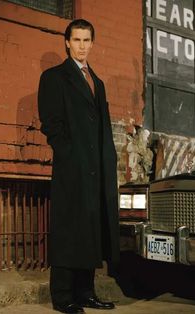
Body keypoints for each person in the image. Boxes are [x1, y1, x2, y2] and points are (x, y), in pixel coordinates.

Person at [38, 19, 119, 314]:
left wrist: (108, 162)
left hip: (97, 169)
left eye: (87, 40)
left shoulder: (97, 82)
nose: (82, 46)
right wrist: (69, 155)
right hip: (72, 168)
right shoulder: (54, 77)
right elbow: (51, 123)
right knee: (68, 230)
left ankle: (86, 293)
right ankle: (62, 297)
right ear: (67, 42)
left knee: (90, 232)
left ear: (92, 43)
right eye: (77, 40)